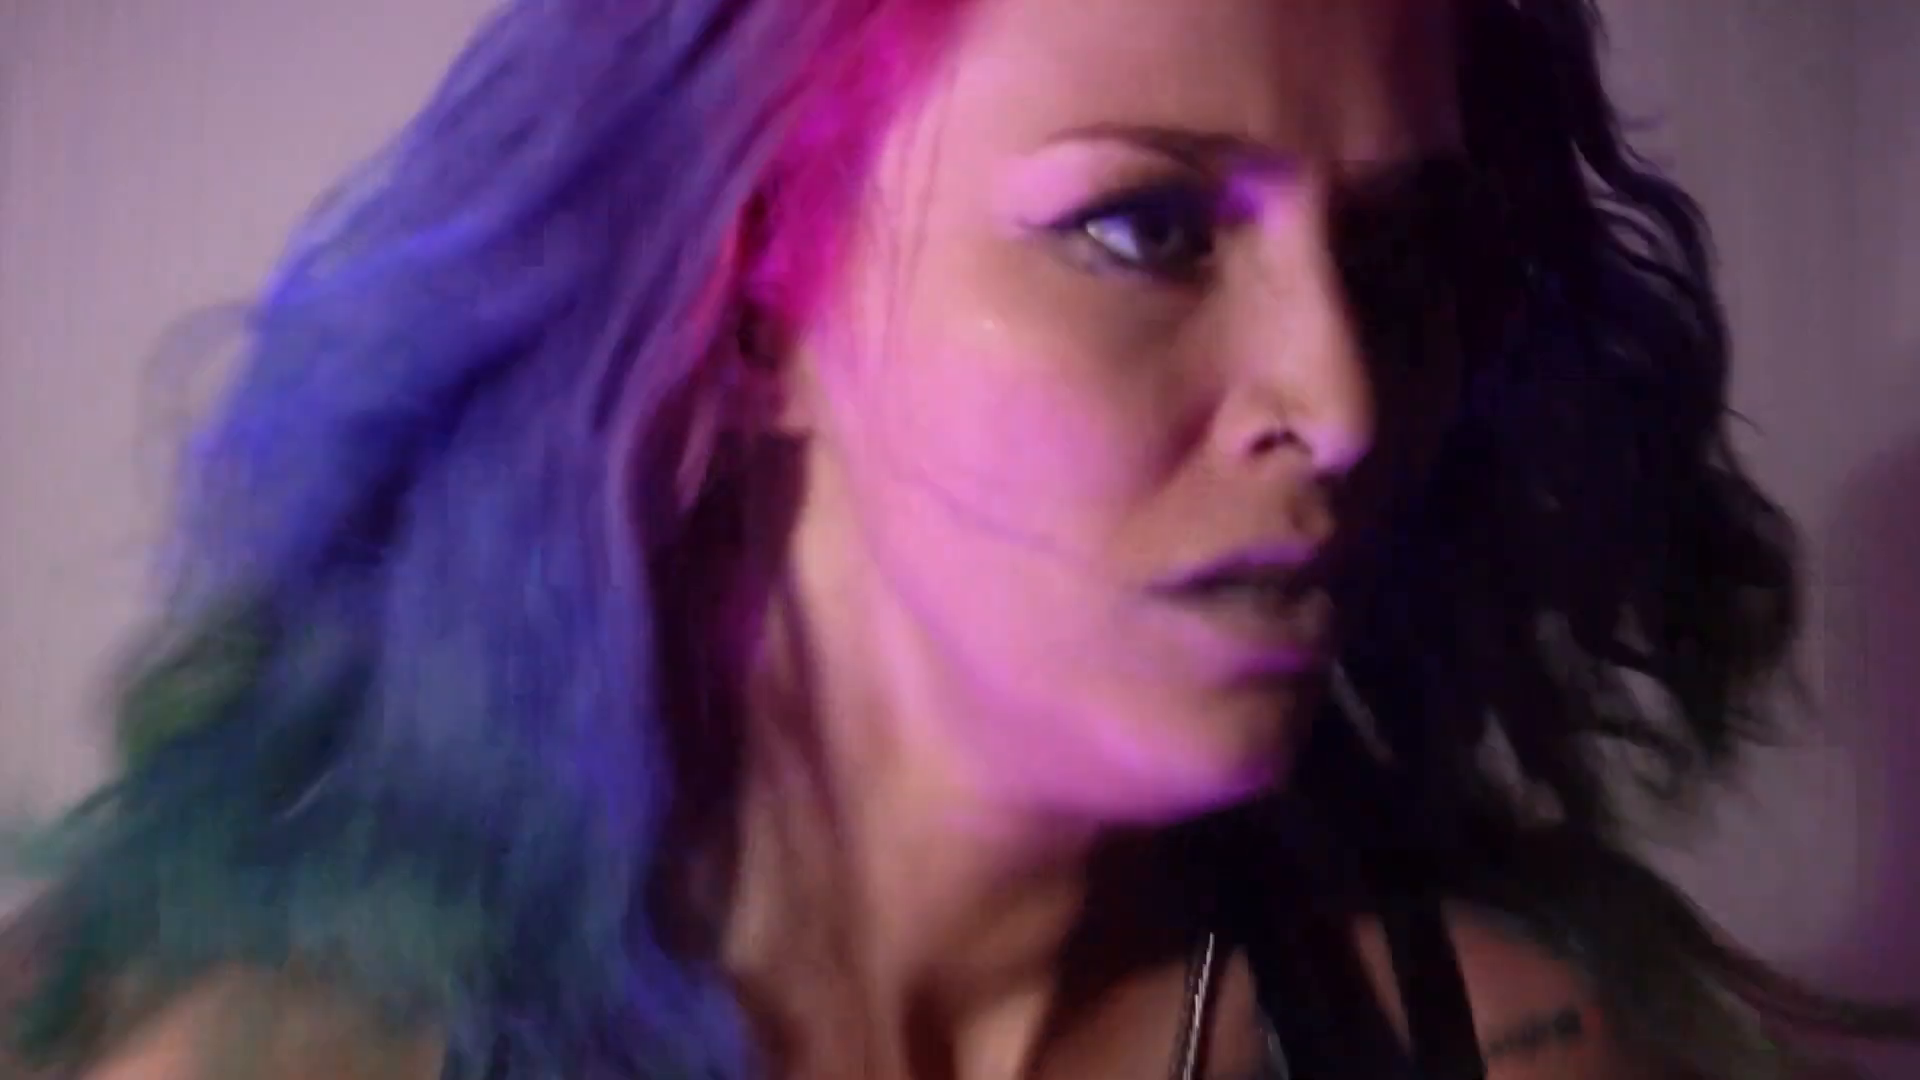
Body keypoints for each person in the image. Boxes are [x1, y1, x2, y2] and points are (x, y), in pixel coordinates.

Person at [3, 0, 1914, 1077]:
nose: (1339, 402)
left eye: (1393, 250)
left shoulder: (1487, 1052)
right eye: (1147, 230)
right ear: (756, 299)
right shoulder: (255, 1050)